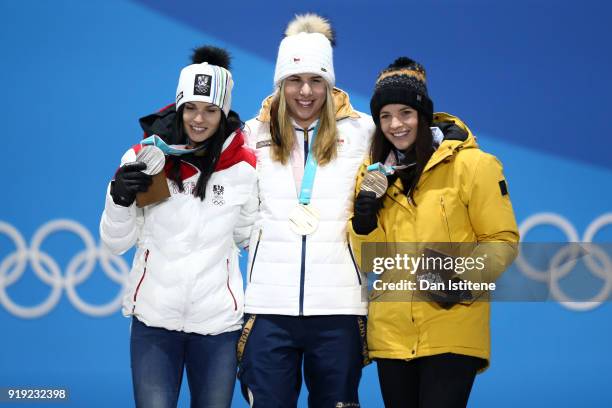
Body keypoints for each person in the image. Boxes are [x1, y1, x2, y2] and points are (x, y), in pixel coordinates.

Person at [348, 57, 519, 408]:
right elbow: (372, 260)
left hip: (451, 325)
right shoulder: (372, 174)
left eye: (405, 113)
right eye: (385, 116)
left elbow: (502, 240)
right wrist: (363, 225)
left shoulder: (473, 165)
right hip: (392, 332)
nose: (396, 124)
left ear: (423, 115)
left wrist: (459, 281)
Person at [99, 46, 257, 408]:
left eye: (210, 110)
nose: (198, 119)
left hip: (218, 328)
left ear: (224, 112)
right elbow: (114, 243)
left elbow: (252, 238)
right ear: (179, 106)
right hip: (155, 324)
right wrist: (119, 198)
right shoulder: (144, 158)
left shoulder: (244, 167)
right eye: (191, 107)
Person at [237, 13, 375, 408]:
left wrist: (444, 130)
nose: (306, 92)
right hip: (268, 306)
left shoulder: (363, 132)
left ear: (330, 84)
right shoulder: (252, 134)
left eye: (317, 80)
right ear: (281, 83)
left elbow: (411, 136)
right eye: (295, 80)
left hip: (339, 307)